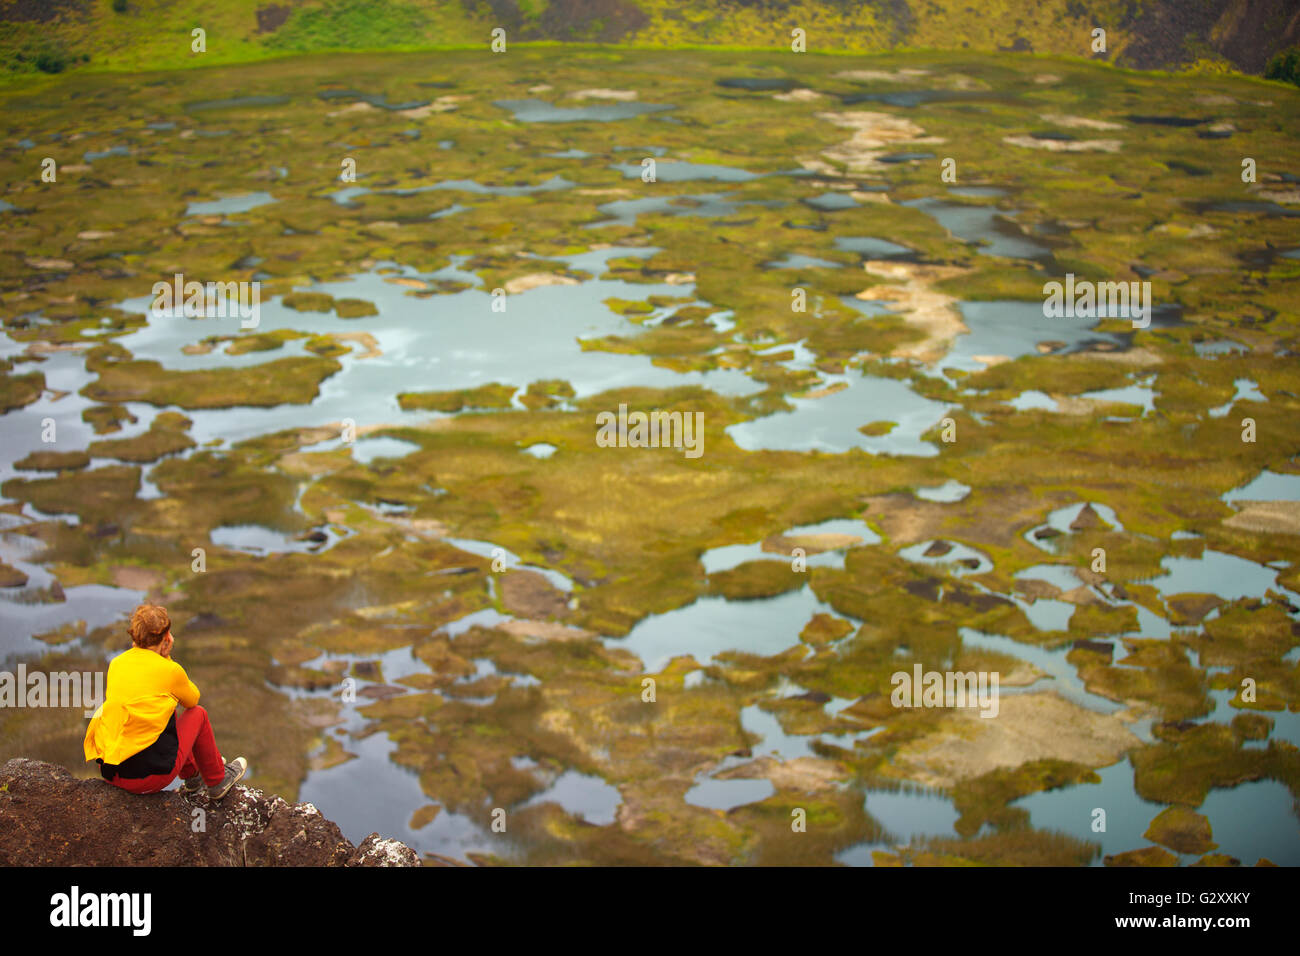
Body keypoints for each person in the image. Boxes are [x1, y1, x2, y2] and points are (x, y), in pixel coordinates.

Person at [84, 604, 247, 800]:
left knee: (164, 708)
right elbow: (192, 699)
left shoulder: (116, 664)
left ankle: (193, 778)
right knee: (198, 714)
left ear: (134, 634)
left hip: (113, 774)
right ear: (166, 638)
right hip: (149, 779)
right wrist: (166, 658)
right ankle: (217, 781)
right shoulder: (170, 670)